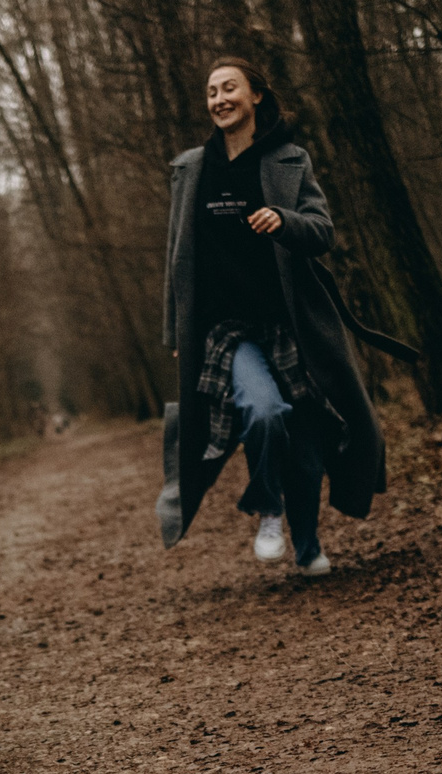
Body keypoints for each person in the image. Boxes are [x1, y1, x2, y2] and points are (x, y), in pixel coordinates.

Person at [158, 57, 384, 576]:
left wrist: (285, 221)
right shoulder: (191, 169)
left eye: (229, 88)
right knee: (264, 412)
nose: (219, 99)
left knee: (303, 440)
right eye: (212, 91)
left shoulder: (288, 159)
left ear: (255, 96)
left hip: (292, 326)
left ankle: (307, 547)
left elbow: (322, 231)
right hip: (226, 333)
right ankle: (268, 507)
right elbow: (176, 256)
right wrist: (175, 329)